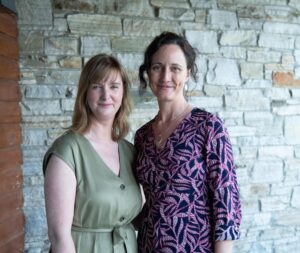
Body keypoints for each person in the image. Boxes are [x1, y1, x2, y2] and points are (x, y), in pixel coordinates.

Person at [134, 31, 242, 253]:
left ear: (187, 74)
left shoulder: (208, 126)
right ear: (148, 73)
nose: (165, 76)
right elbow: (152, 203)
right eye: (157, 67)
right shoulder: (142, 136)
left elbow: (226, 204)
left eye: (175, 68)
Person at [43, 54, 142, 253]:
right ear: (85, 93)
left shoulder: (130, 151)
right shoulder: (67, 151)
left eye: (114, 86)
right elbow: (59, 236)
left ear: (123, 93)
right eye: (97, 86)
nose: (106, 95)